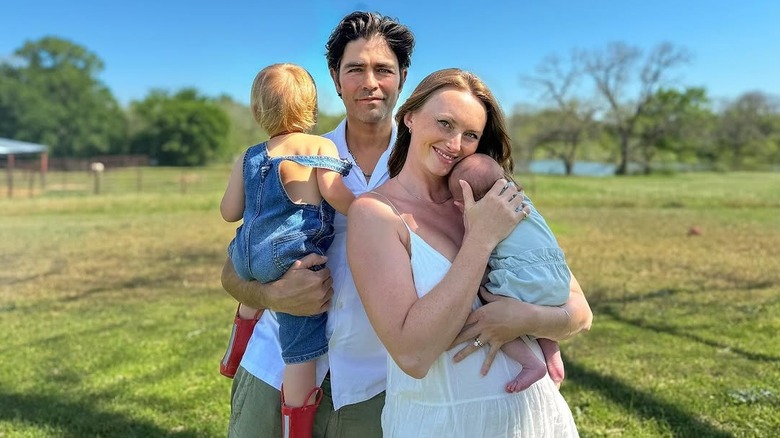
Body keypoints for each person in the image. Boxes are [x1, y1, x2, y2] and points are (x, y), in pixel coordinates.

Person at [346, 68, 592, 437]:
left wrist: (522, 318)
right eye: (445, 123)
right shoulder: (375, 214)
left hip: (536, 419)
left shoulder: (495, 196)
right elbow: (413, 354)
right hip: (444, 424)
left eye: (471, 135)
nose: (455, 143)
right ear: (409, 117)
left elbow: (580, 313)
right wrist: (480, 241)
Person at [221, 11, 415, 437]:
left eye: (383, 69)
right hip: (272, 369)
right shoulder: (312, 152)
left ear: (402, 76)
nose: (370, 82)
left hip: (380, 385)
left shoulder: (426, 165)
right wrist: (270, 293)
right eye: (355, 69)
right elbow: (232, 273)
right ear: (334, 76)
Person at [219, 63, 355, 437]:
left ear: (257, 111)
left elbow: (229, 211)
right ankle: (296, 424)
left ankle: (234, 355)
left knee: (253, 283)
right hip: (291, 258)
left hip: (246, 255)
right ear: (310, 108)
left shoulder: (249, 156)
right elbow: (336, 195)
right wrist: (366, 209)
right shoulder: (319, 147)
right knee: (301, 350)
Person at [448, 152, 571, 393]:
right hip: (559, 280)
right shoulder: (524, 201)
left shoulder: (488, 216)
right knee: (538, 299)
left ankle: (530, 363)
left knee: (489, 309)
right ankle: (552, 353)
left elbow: (476, 252)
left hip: (522, 281)